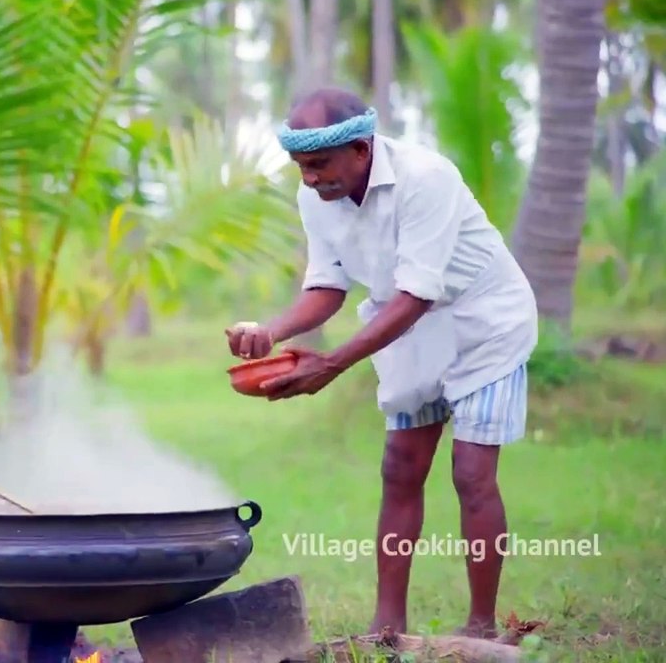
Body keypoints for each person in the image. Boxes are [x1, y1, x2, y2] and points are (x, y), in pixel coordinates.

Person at [225, 87, 537, 639]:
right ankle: (387, 626)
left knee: (471, 474)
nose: (310, 179)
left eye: (319, 164)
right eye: (301, 167)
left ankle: (481, 627)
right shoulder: (316, 197)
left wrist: (332, 363)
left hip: (484, 324)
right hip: (409, 327)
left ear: (362, 150)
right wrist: (270, 332)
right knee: (400, 468)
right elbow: (327, 286)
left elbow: (416, 295)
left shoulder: (426, 178)